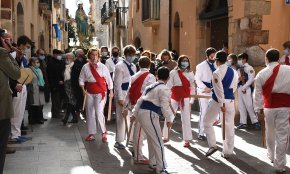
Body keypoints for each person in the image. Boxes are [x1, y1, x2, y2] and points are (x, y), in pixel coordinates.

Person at [132, 67, 174, 174]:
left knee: (153, 139)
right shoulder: (164, 88)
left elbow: (139, 100)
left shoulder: (151, 86)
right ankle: (161, 167)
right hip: (149, 114)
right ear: (168, 78)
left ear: (156, 76)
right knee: (158, 141)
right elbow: (165, 106)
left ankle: (154, 163)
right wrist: (169, 119)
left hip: (144, 113)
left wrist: (134, 113)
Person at [253, 48, 290, 173]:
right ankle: (280, 164)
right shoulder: (288, 70)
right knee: (282, 135)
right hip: (285, 106)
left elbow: (257, 93)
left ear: (266, 58)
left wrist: (258, 109)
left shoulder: (262, 73)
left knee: (270, 132)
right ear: (279, 58)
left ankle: (271, 156)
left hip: (269, 107)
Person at [204, 50, 238, 158]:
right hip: (230, 100)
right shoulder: (234, 72)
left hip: (218, 101)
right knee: (229, 126)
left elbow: (218, 90)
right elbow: (234, 87)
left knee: (207, 122)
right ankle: (228, 151)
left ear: (217, 61)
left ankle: (213, 145)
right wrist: (227, 99)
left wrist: (222, 103)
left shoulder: (216, 73)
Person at [123, 56, 156, 164]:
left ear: (138, 65)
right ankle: (138, 156)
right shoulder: (151, 76)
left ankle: (137, 152)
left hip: (134, 104)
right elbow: (151, 92)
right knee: (140, 131)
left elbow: (128, 92)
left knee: (139, 130)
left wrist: (125, 106)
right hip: (144, 105)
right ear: (149, 65)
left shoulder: (133, 76)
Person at [79, 47, 113, 142]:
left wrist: (111, 90)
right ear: (89, 56)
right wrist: (83, 89)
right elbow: (81, 79)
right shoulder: (85, 67)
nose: (94, 57)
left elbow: (109, 79)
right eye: (92, 55)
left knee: (98, 112)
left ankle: (104, 132)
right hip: (89, 92)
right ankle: (91, 133)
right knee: (89, 113)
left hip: (101, 92)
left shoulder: (103, 66)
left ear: (98, 56)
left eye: (96, 55)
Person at [162, 55, 195, 147]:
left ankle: (187, 139)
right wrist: (167, 97)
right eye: (183, 61)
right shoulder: (173, 72)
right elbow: (169, 85)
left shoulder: (190, 73)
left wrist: (191, 101)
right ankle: (165, 136)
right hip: (174, 96)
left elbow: (192, 87)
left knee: (186, 118)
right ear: (179, 62)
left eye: (186, 60)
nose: (185, 62)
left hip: (185, 97)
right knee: (169, 115)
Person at [0, 28, 21, 174]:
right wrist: (8, 51)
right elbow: (16, 72)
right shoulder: (2, 54)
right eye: (6, 39)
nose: (9, 42)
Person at [114, 45, 137, 149]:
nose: (131, 56)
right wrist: (119, 97)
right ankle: (118, 140)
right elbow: (117, 83)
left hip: (130, 94)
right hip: (122, 93)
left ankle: (130, 138)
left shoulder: (134, 66)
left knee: (130, 117)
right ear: (125, 55)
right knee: (121, 118)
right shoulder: (119, 66)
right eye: (129, 55)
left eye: (133, 55)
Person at [10, 35, 32, 142]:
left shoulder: (23, 57)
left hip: (23, 85)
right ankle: (13, 134)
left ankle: (17, 133)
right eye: (27, 46)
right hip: (16, 85)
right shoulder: (13, 55)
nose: (28, 49)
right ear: (21, 45)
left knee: (21, 111)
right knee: (16, 110)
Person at [195, 47, 217, 141]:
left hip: (213, 90)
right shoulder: (201, 66)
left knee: (211, 112)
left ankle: (209, 132)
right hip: (203, 90)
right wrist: (204, 87)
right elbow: (197, 79)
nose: (213, 58)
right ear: (207, 56)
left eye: (214, 56)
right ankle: (201, 133)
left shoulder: (216, 64)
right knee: (204, 111)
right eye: (212, 56)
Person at [236, 53, 260, 129]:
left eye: (240, 59)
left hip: (247, 88)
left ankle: (255, 122)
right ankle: (243, 122)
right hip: (240, 87)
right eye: (238, 59)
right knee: (241, 105)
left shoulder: (249, 68)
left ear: (245, 59)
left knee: (249, 105)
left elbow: (251, 79)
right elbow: (236, 79)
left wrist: (245, 87)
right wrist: (238, 80)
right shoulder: (239, 69)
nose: (239, 61)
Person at [47, 49, 65, 118]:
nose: (60, 56)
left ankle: (57, 111)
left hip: (60, 84)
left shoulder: (59, 62)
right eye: (58, 55)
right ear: (54, 55)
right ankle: (55, 113)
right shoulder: (51, 63)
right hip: (55, 85)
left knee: (59, 99)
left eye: (60, 55)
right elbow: (51, 75)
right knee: (55, 99)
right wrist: (56, 82)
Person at [27, 57, 45, 124]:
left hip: (40, 88)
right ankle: (32, 119)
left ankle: (39, 118)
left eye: (38, 62)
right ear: (32, 63)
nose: (38, 64)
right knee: (33, 105)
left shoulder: (39, 70)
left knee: (40, 105)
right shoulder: (29, 70)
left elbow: (42, 79)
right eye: (36, 62)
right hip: (33, 90)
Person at [62, 53, 77, 125]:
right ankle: (74, 117)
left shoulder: (74, 66)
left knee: (71, 101)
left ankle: (66, 117)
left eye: (69, 58)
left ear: (73, 59)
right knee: (70, 101)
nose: (67, 60)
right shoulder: (66, 66)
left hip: (72, 85)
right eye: (66, 58)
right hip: (66, 85)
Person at [71, 49, 87, 118]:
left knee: (85, 98)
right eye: (80, 53)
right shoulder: (74, 62)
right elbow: (73, 74)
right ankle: (77, 112)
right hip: (77, 84)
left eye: (82, 53)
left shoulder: (86, 61)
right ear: (77, 54)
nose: (82, 54)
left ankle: (85, 111)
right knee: (78, 98)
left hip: (85, 83)